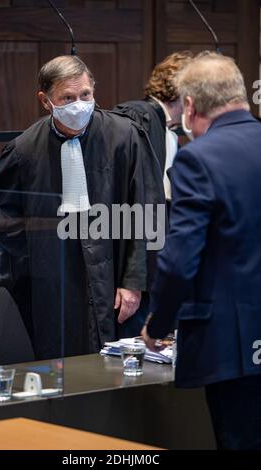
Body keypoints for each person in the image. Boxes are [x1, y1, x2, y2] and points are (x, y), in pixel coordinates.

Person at [0, 55, 164, 360]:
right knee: (62, 356)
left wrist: (134, 282)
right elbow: (2, 220)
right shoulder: (24, 150)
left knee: (119, 364)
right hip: (55, 277)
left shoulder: (125, 137)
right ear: (45, 100)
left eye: (85, 95)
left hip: (114, 271)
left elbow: (148, 212)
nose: (79, 104)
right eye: (68, 97)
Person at [142, 52, 261, 450]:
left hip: (233, 346)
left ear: (190, 107)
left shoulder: (198, 159)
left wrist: (158, 325)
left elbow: (180, 260)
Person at [113, 52, 193, 338]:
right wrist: (131, 278)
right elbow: (134, 201)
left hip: (157, 258)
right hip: (138, 261)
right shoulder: (141, 116)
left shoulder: (170, 132)